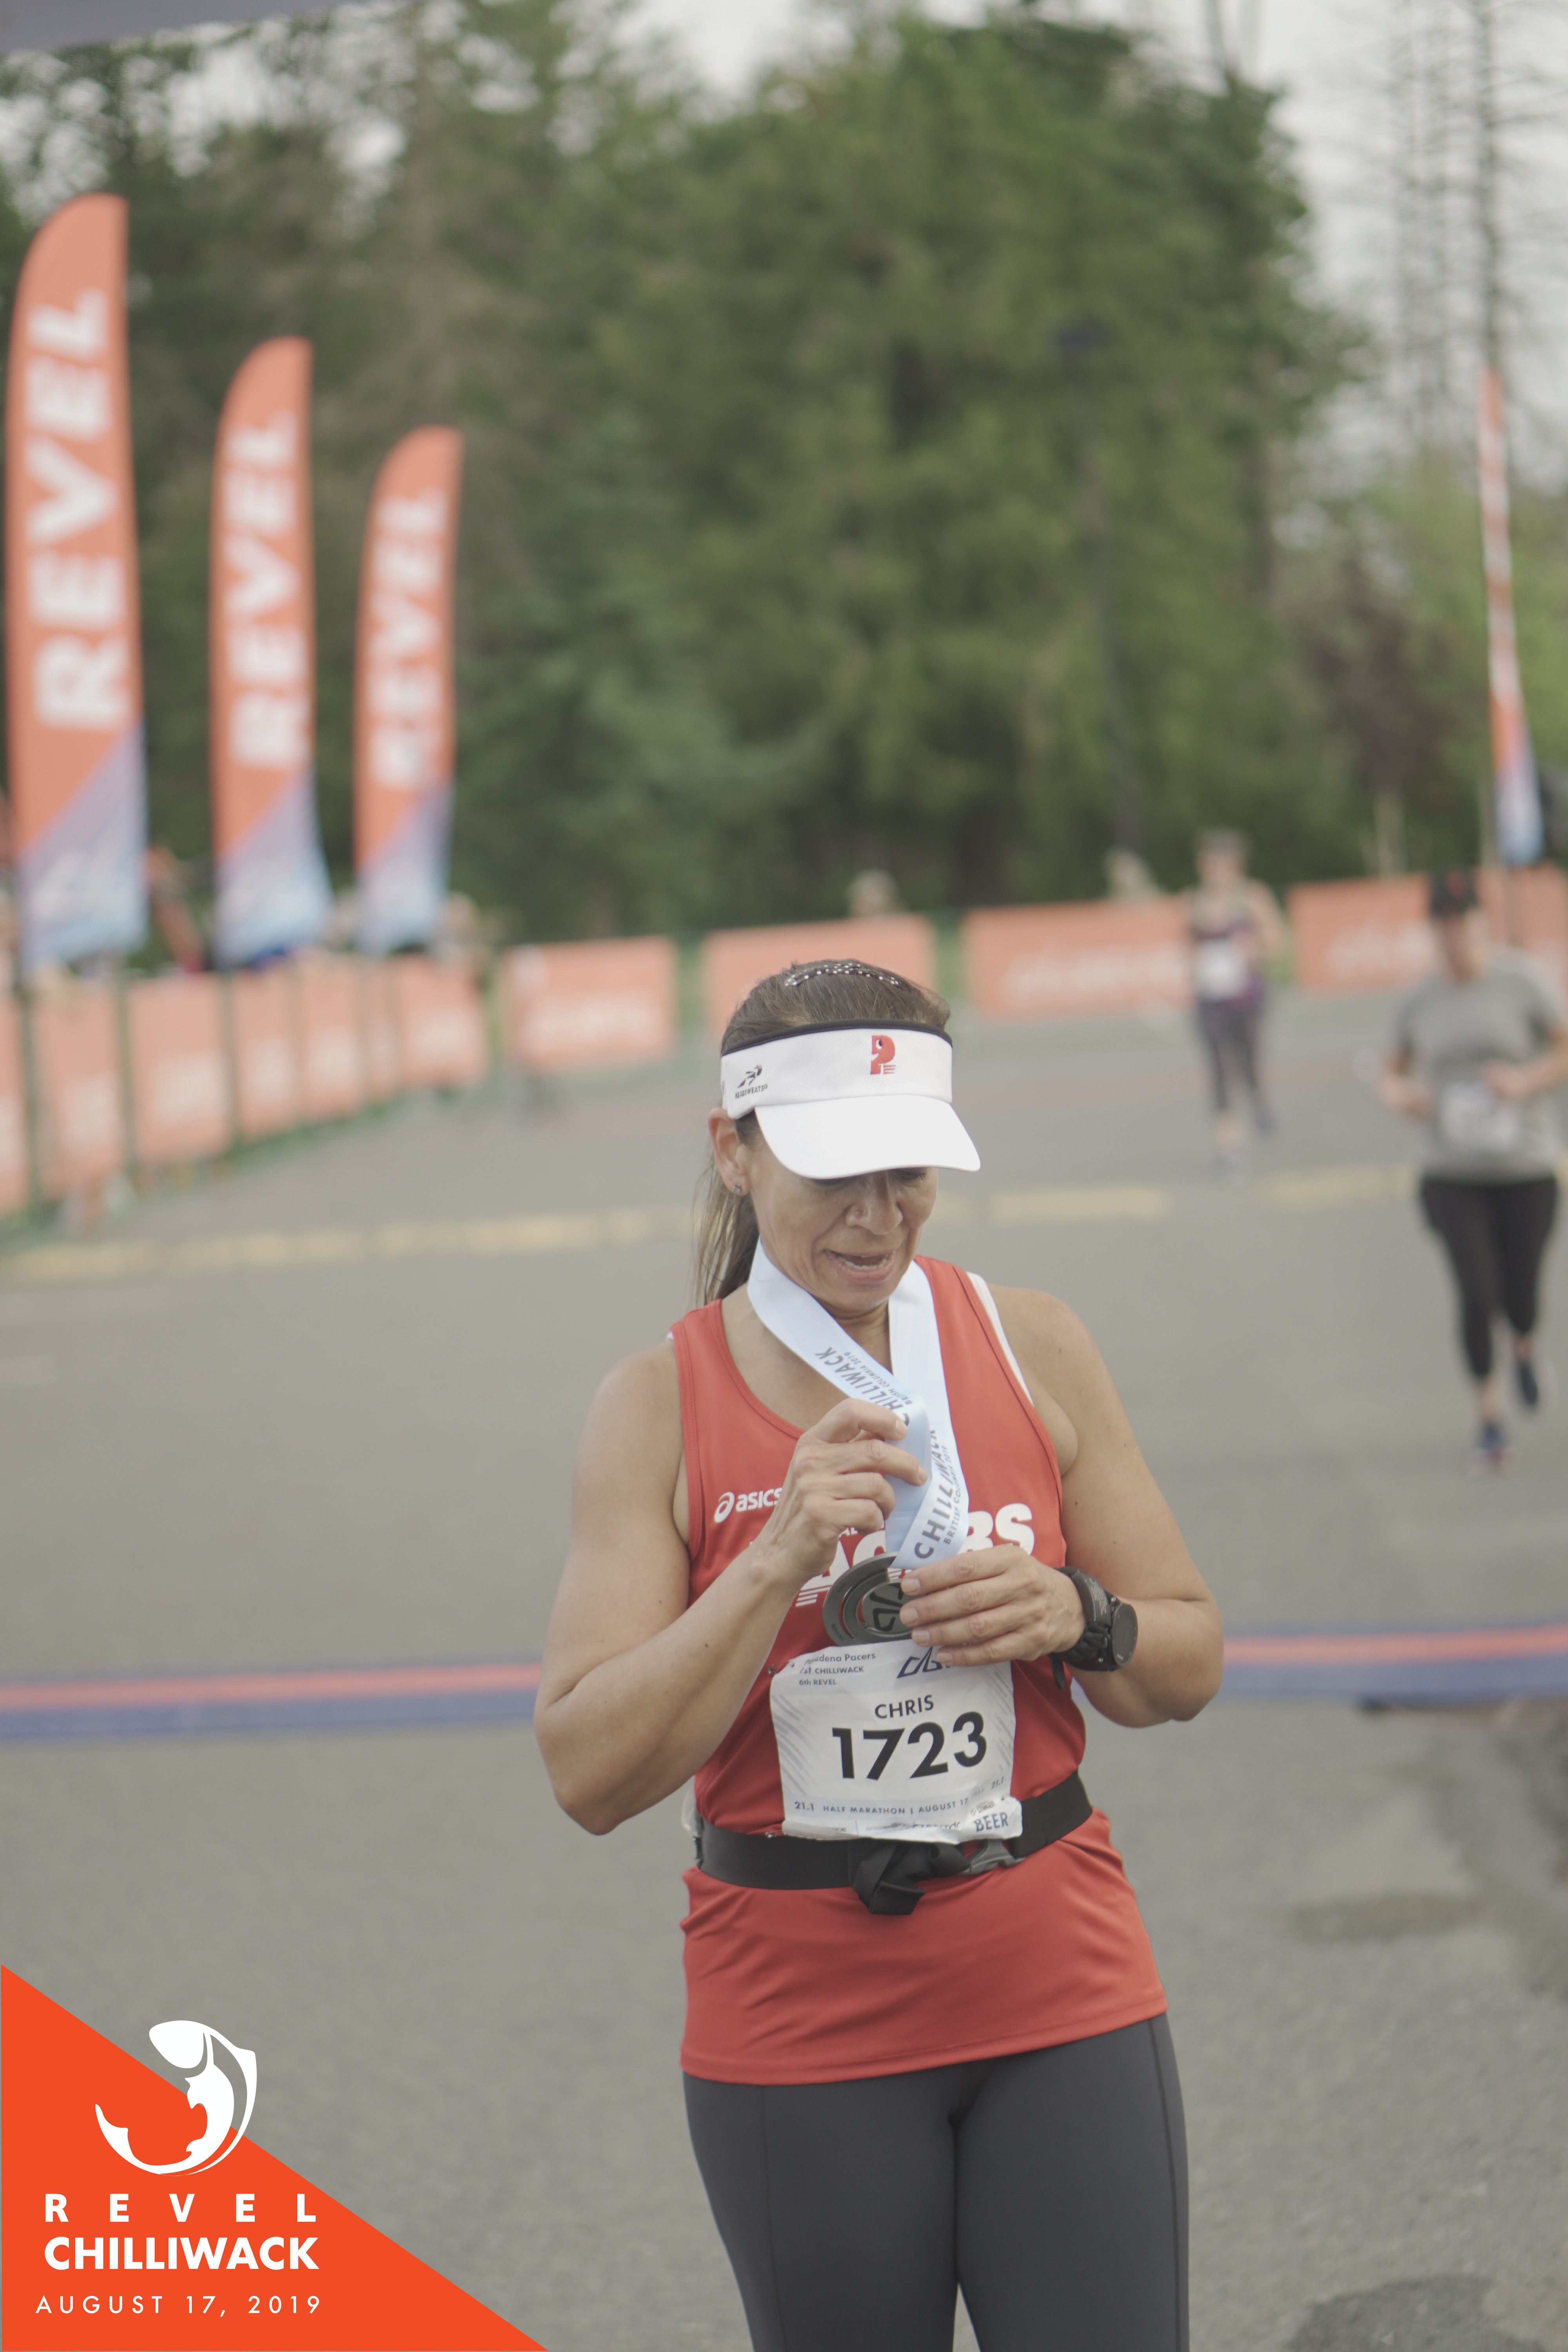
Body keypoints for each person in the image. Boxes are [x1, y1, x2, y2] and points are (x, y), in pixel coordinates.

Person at [536, 957, 1224, 2352]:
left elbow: (1186, 1660)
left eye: (907, 1170)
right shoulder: (658, 1401)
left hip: (1055, 1968)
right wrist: (774, 1558)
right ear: (732, 1151)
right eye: (833, 1172)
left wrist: (1076, 1614)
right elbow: (587, 1769)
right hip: (799, 2014)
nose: (876, 1212)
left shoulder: (1030, 1344)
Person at [1380, 868, 1568, 1469]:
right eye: (1443, 923)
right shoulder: (1419, 998)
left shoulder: (1522, 981)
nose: (1454, 934)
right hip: (1450, 1168)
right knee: (1476, 1290)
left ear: (1482, 923)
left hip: (1525, 1165)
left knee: (1521, 1293)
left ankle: (1524, 1346)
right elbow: (1391, 1071)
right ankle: (1489, 1418)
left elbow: (1563, 1047)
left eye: (1462, 921)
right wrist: (1403, 1096)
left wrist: (1524, 1082)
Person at [1185, 828, 1285, 1176]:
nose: (1218, 872)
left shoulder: (1252, 899)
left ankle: (1259, 1100)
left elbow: (1277, 944)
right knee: (1219, 1074)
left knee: (1248, 1064)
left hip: (1247, 1000)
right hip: (1212, 1002)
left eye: (1225, 864)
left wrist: (1254, 949)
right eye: (1213, 864)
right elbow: (1186, 950)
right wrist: (1195, 968)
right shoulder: (1194, 904)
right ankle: (1229, 1149)